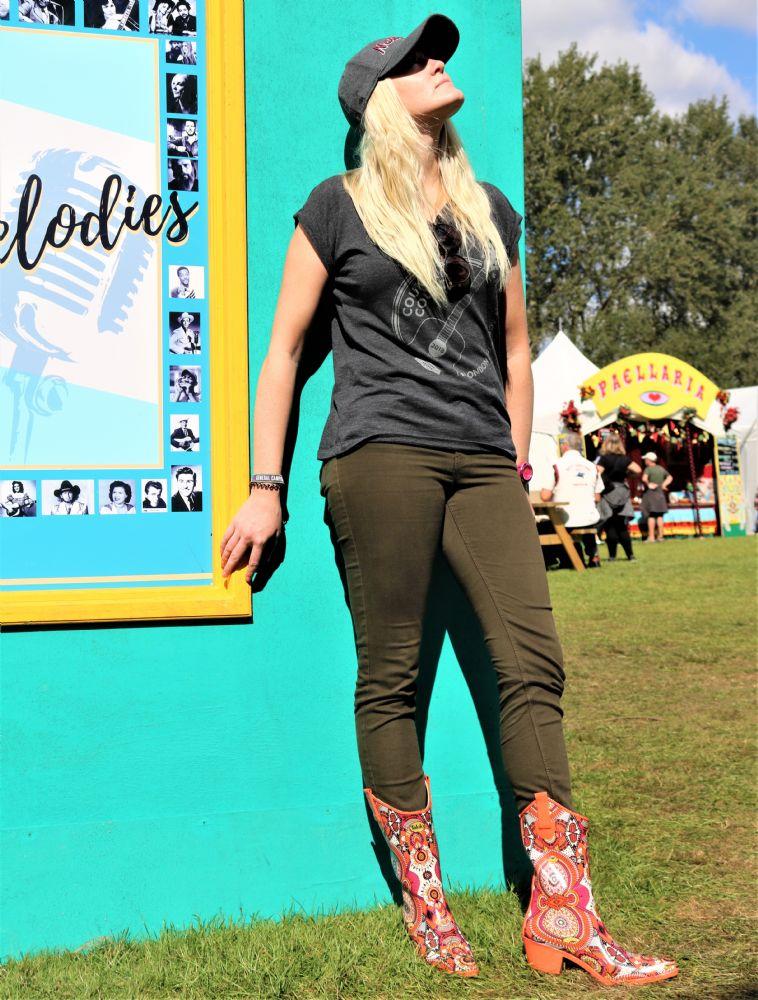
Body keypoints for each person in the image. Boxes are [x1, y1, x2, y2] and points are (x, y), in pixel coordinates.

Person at [218, 15, 678, 987]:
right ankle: (429, 906)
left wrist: (514, 463)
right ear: (379, 99)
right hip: (375, 454)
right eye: (417, 62)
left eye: (441, 55)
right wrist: (265, 490)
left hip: (478, 461)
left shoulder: (491, 211)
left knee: (531, 664)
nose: (438, 66)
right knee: (393, 674)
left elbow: (514, 350)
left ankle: (562, 912)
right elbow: (284, 354)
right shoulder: (332, 208)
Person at [539, 431, 603, 568]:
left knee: (544, 525)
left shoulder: (556, 465)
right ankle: (593, 556)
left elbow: (544, 496)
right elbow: (597, 497)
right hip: (589, 517)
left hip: (565, 517)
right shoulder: (592, 467)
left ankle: (562, 559)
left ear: (565, 446)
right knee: (585, 519)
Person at [595, 431, 641, 561]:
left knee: (609, 524)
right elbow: (637, 470)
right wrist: (627, 474)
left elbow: (597, 471)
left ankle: (612, 556)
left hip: (608, 491)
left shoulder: (603, 458)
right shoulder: (624, 459)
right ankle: (630, 555)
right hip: (622, 492)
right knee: (621, 525)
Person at [640, 451, 672, 542]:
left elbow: (644, 479)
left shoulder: (648, 469)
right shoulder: (661, 468)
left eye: (646, 459)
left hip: (651, 494)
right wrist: (664, 485)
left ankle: (651, 537)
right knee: (660, 516)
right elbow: (670, 477)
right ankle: (660, 536)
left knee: (651, 516)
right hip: (660, 494)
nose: (645, 461)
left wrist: (648, 484)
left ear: (649, 460)